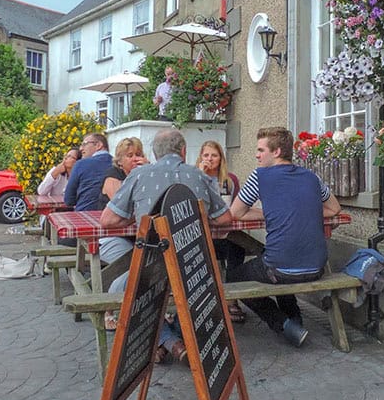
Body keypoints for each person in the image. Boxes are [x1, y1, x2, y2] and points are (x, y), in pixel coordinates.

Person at [101, 128, 233, 363]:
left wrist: (139, 215)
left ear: (154, 152)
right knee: (180, 288)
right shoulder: (199, 176)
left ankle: (166, 343)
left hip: (153, 267)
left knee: (126, 288)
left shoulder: (139, 175)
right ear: (183, 151)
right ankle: (176, 342)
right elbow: (224, 219)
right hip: (193, 267)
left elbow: (108, 220)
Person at [229, 127, 342, 347]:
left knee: (234, 278)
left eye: (261, 150)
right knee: (271, 257)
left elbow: (235, 213)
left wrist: (274, 212)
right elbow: (334, 208)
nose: (257, 155)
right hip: (316, 268)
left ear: (277, 151)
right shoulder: (311, 176)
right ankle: (296, 320)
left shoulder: (259, 176)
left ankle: (283, 324)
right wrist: (301, 210)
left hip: (280, 269)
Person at [97, 137, 149, 331]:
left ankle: (147, 310)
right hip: (109, 237)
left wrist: (148, 171)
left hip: (134, 237)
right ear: (119, 160)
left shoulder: (143, 174)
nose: (135, 159)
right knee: (132, 264)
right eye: (129, 156)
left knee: (152, 262)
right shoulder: (112, 176)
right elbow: (127, 205)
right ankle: (110, 309)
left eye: (138, 154)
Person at [196, 140, 247, 323]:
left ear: (221, 158)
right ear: (200, 157)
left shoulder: (229, 180)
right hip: (203, 235)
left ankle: (231, 300)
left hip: (226, 233)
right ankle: (205, 302)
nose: (210, 159)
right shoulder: (194, 177)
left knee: (238, 248)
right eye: (206, 155)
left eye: (214, 155)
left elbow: (237, 207)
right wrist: (200, 176)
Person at [61, 133, 112, 247]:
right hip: (114, 228)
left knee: (58, 237)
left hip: (85, 229)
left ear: (98, 145)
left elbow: (69, 200)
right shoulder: (118, 164)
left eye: (84, 144)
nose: (81, 148)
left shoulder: (81, 164)